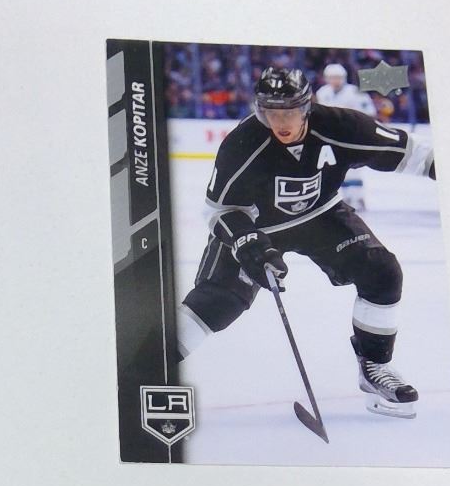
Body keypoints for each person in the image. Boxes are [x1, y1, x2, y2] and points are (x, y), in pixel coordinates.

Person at [177, 66, 435, 417]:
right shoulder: (243, 143)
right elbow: (219, 210)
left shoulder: (341, 126)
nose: (281, 122)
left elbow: (411, 153)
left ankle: (375, 366)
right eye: (271, 113)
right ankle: (149, 365)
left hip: (320, 216)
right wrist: (248, 243)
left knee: (382, 271)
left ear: (307, 106)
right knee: (218, 302)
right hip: (257, 225)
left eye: (290, 112)